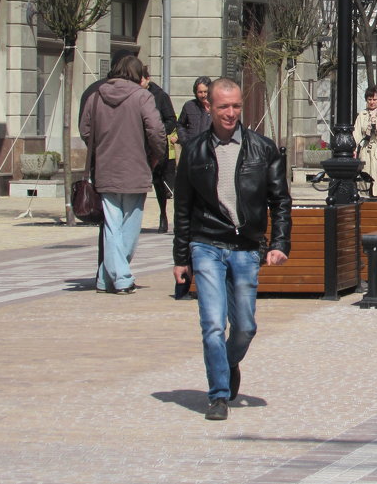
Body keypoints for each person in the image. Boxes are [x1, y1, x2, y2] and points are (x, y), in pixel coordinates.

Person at [172, 77, 292, 420]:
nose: (231, 113)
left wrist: (280, 243)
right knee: (212, 323)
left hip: (245, 247)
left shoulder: (262, 148)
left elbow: (280, 200)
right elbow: (183, 207)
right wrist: (181, 258)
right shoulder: (194, 151)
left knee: (245, 327)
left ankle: (228, 362)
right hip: (206, 243)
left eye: (236, 106)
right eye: (223, 106)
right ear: (208, 107)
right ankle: (219, 396)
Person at [79, 54, 166, 294]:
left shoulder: (95, 96)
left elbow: (85, 129)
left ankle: (105, 279)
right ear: (137, 74)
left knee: (112, 225)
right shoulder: (142, 97)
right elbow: (156, 130)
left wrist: (99, 149)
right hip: (136, 166)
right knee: (129, 225)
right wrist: (155, 155)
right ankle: (122, 278)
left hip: (105, 167)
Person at [141, 66, 178, 233]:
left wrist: (159, 131)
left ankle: (163, 214)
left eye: (140, 80)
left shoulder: (160, 96)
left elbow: (171, 120)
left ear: (147, 78)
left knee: (159, 182)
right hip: (138, 146)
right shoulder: (134, 96)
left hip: (156, 145)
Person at [177, 76, 213, 145]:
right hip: (192, 147)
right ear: (196, 92)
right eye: (200, 92)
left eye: (205, 92)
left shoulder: (216, 106)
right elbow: (180, 125)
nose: (203, 95)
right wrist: (185, 141)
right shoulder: (189, 106)